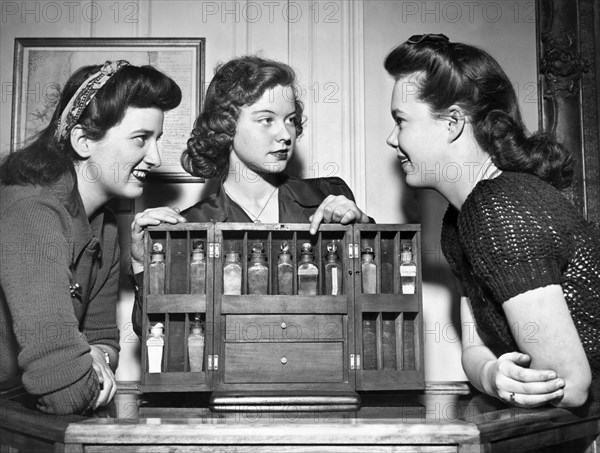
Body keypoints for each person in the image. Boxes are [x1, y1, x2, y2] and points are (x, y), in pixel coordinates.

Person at [384, 34, 600, 408]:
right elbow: (474, 347)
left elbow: (570, 386)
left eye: (400, 121)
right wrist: (492, 375)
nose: (391, 139)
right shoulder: (459, 220)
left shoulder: (499, 207)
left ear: (452, 122)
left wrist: (501, 379)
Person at [130, 55, 372, 336]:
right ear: (226, 125)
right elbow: (158, 330)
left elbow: (375, 299)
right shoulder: (189, 226)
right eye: (267, 119)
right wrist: (140, 263)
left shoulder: (330, 195)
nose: (285, 134)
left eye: (290, 120)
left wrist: (363, 225)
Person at [0, 60, 182, 414]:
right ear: (83, 141)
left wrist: (95, 356)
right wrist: (89, 364)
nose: (156, 157)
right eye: (141, 139)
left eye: (156, 140)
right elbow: (65, 393)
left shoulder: (107, 226)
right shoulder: (29, 209)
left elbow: (104, 342)